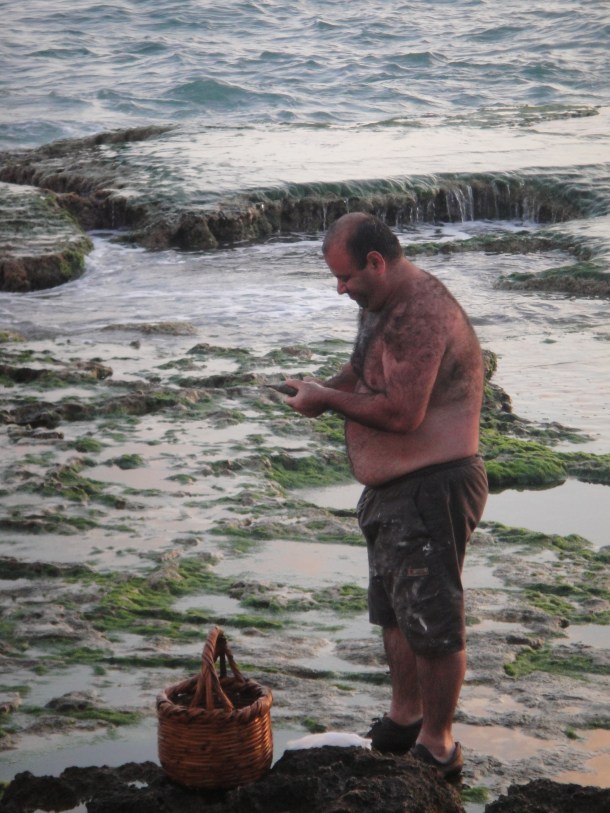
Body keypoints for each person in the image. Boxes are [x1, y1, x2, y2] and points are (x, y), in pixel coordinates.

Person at [282, 212, 488, 779]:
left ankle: (439, 745)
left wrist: (327, 402)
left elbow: (402, 411)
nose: (339, 288)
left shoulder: (420, 310)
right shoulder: (380, 308)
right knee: (396, 615)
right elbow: (359, 370)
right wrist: (319, 386)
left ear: (376, 261)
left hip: (434, 485)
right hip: (395, 492)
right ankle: (405, 719)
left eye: (346, 277)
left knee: (434, 620)